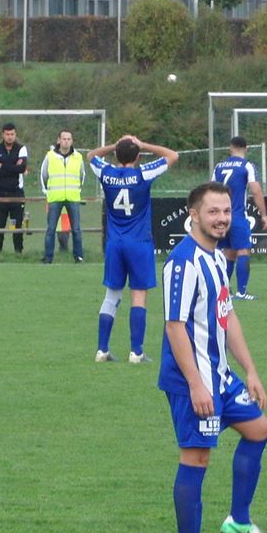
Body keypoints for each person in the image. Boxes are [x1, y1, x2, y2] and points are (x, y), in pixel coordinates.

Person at [161, 182, 267, 533]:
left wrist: (251, 369)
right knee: (196, 457)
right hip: (194, 380)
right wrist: (196, 384)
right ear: (193, 214)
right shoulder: (184, 262)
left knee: (258, 429)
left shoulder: (215, 257)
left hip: (222, 375)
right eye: (213, 211)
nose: (222, 218)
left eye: (226, 211)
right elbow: (175, 326)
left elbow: (227, 316)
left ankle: (238, 523)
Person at [87, 135, 179, 364]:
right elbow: (172, 155)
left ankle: (102, 350)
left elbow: (90, 156)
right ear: (137, 156)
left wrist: (115, 145)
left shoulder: (106, 173)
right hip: (139, 243)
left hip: (115, 244)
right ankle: (136, 352)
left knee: (112, 295)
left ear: (116, 155)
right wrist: (143, 144)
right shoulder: (142, 174)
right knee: (138, 295)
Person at [211, 135, 267, 300]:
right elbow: (256, 190)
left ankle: (223, 291)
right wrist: (263, 214)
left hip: (220, 216)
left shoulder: (219, 167)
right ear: (246, 149)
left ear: (230, 148)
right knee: (243, 251)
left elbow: (210, 189)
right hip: (237, 215)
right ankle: (242, 292)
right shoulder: (247, 166)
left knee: (228, 253)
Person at [39, 130, 86, 264]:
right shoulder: (50, 156)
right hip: (55, 197)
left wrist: (77, 189)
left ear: (72, 141)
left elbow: (82, 175)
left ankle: (78, 256)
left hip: (72, 197)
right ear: (58, 140)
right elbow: (43, 175)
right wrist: (47, 192)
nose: (66, 141)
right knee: (51, 229)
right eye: (64, 139)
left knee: (76, 229)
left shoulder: (78, 157)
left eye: (69, 139)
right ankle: (48, 257)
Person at [0, 123, 29, 253]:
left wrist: (3, 165)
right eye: (7, 134)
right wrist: (13, 166)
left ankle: (18, 252)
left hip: (16, 193)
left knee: (17, 225)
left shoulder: (22, 149)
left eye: (12, 134)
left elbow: (21, 168)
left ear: (15, 134)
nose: (10, 137)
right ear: (3, 134)